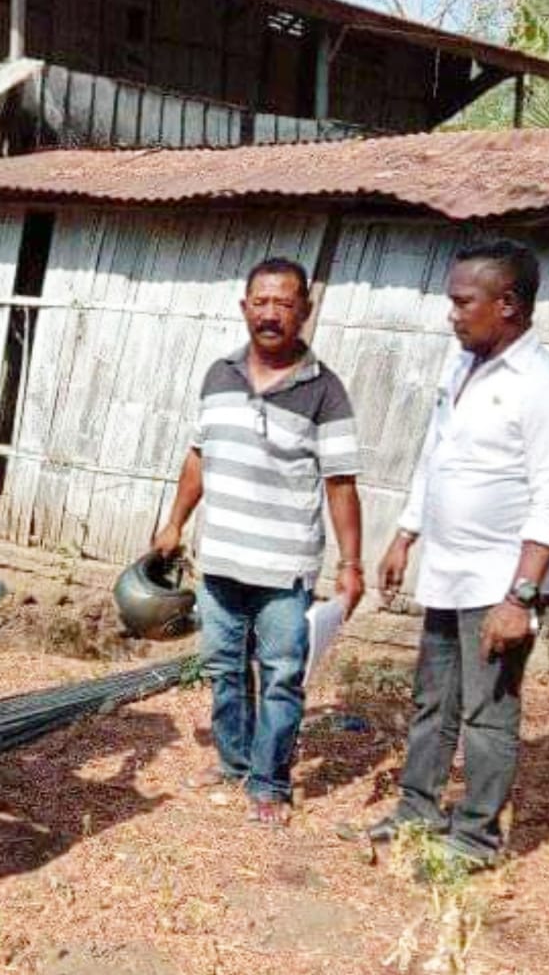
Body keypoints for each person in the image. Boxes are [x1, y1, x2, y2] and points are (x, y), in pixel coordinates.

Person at [369, 239, 549, 868]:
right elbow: (436, 458)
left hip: (499, 582)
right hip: (448, 569)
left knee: (489, 715)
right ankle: (417, 809)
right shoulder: (462, 368)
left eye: (464, 302)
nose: (451, 314)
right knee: (433, 701)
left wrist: (520, 597)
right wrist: (406, 533)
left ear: (509, 304)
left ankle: (476, 839)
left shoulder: (543, 389)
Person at [153, 257, 364, 825]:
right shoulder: (218, 374)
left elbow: (340, 483)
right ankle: (233, 761)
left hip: (284, 567)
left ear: (305, 312)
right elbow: (199, 456)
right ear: (244, 306)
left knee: (280, 677)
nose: (271, 314)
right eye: (261, 302)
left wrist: (352, 563)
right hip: (220, 557)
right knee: (223, 669)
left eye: (285, 304)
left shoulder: (326, 390)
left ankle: (269, 783)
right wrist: (174, 521)